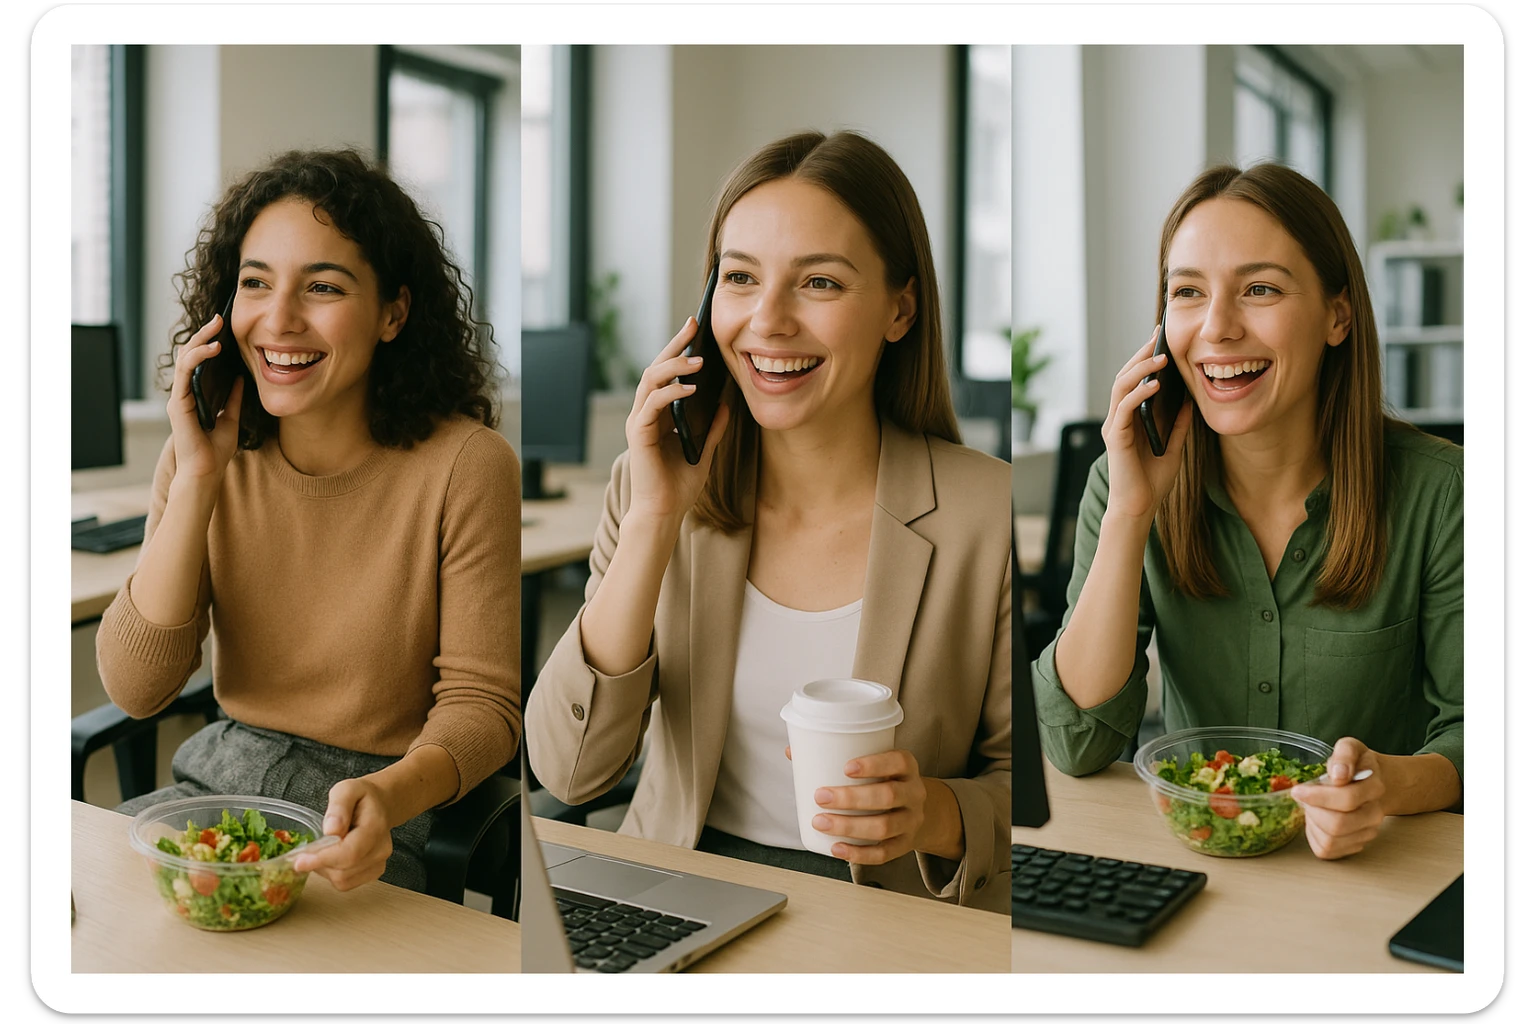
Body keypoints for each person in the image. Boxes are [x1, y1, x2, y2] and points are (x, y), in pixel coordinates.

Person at [526, 130, 1011, 911]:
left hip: (891, 921)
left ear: (900, 308)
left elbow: (1037, 793)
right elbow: (568, 771)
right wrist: (655, 516)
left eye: (818, 282)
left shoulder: (983, 512)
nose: (768, 320)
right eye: (741, 278)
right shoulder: (650, 490)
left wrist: (937, 814)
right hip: (675, 895)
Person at [96, 149, 521, 893]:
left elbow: (483, 709)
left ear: (394, 312)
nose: (280, 319)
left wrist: (391, 798)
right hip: (215, 793)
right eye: (256, 283)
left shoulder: (467, 464)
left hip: (376, 817)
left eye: (322, 287)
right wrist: (198, 476)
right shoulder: (202, 454)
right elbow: (137, 690)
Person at [1031, 162, 1463, 859]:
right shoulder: (1127, 485)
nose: (1218, 327)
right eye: (1188, 293)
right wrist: (1129, 513)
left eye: (1259, 289)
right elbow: (1076, 742)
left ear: (1337, 315)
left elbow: (1476, 734)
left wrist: (1388, 785)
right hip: (1198, 864)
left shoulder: (1443, 494)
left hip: (1376, 877)